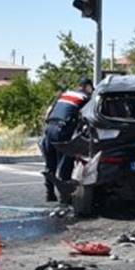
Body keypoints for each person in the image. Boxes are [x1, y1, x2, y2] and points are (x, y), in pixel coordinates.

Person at [40, 75, 93, 203]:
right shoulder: (86, 98)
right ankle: (65, 198)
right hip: (62, 130)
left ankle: (50, 193)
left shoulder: (65, 94)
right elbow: (89, 117)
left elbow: (48, 112)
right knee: (66, 162)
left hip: (49, 128)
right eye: (91, 88)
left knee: (50, 163)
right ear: (87, 87)